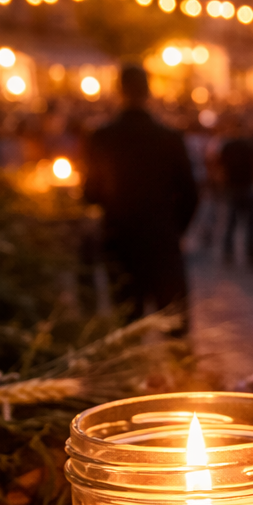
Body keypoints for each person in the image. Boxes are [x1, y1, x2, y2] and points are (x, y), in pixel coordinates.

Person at [83, 65, 197, 330]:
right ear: (148, 90)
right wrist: (173, 228)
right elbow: (191, 192)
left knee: (127, 330)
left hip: (120, 240)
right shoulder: (169, 136)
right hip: (161, 240)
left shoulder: (102, 137)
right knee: (174, 330)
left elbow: (90, 193)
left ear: (119, 91)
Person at [220, 121, 253, 266]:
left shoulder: (228, 146)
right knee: (249, 224)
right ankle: (251, 253)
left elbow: (219, 165)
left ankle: (228, 251)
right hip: (247, 186)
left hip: (233, 186)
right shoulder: (250, 146)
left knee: (231, 222)